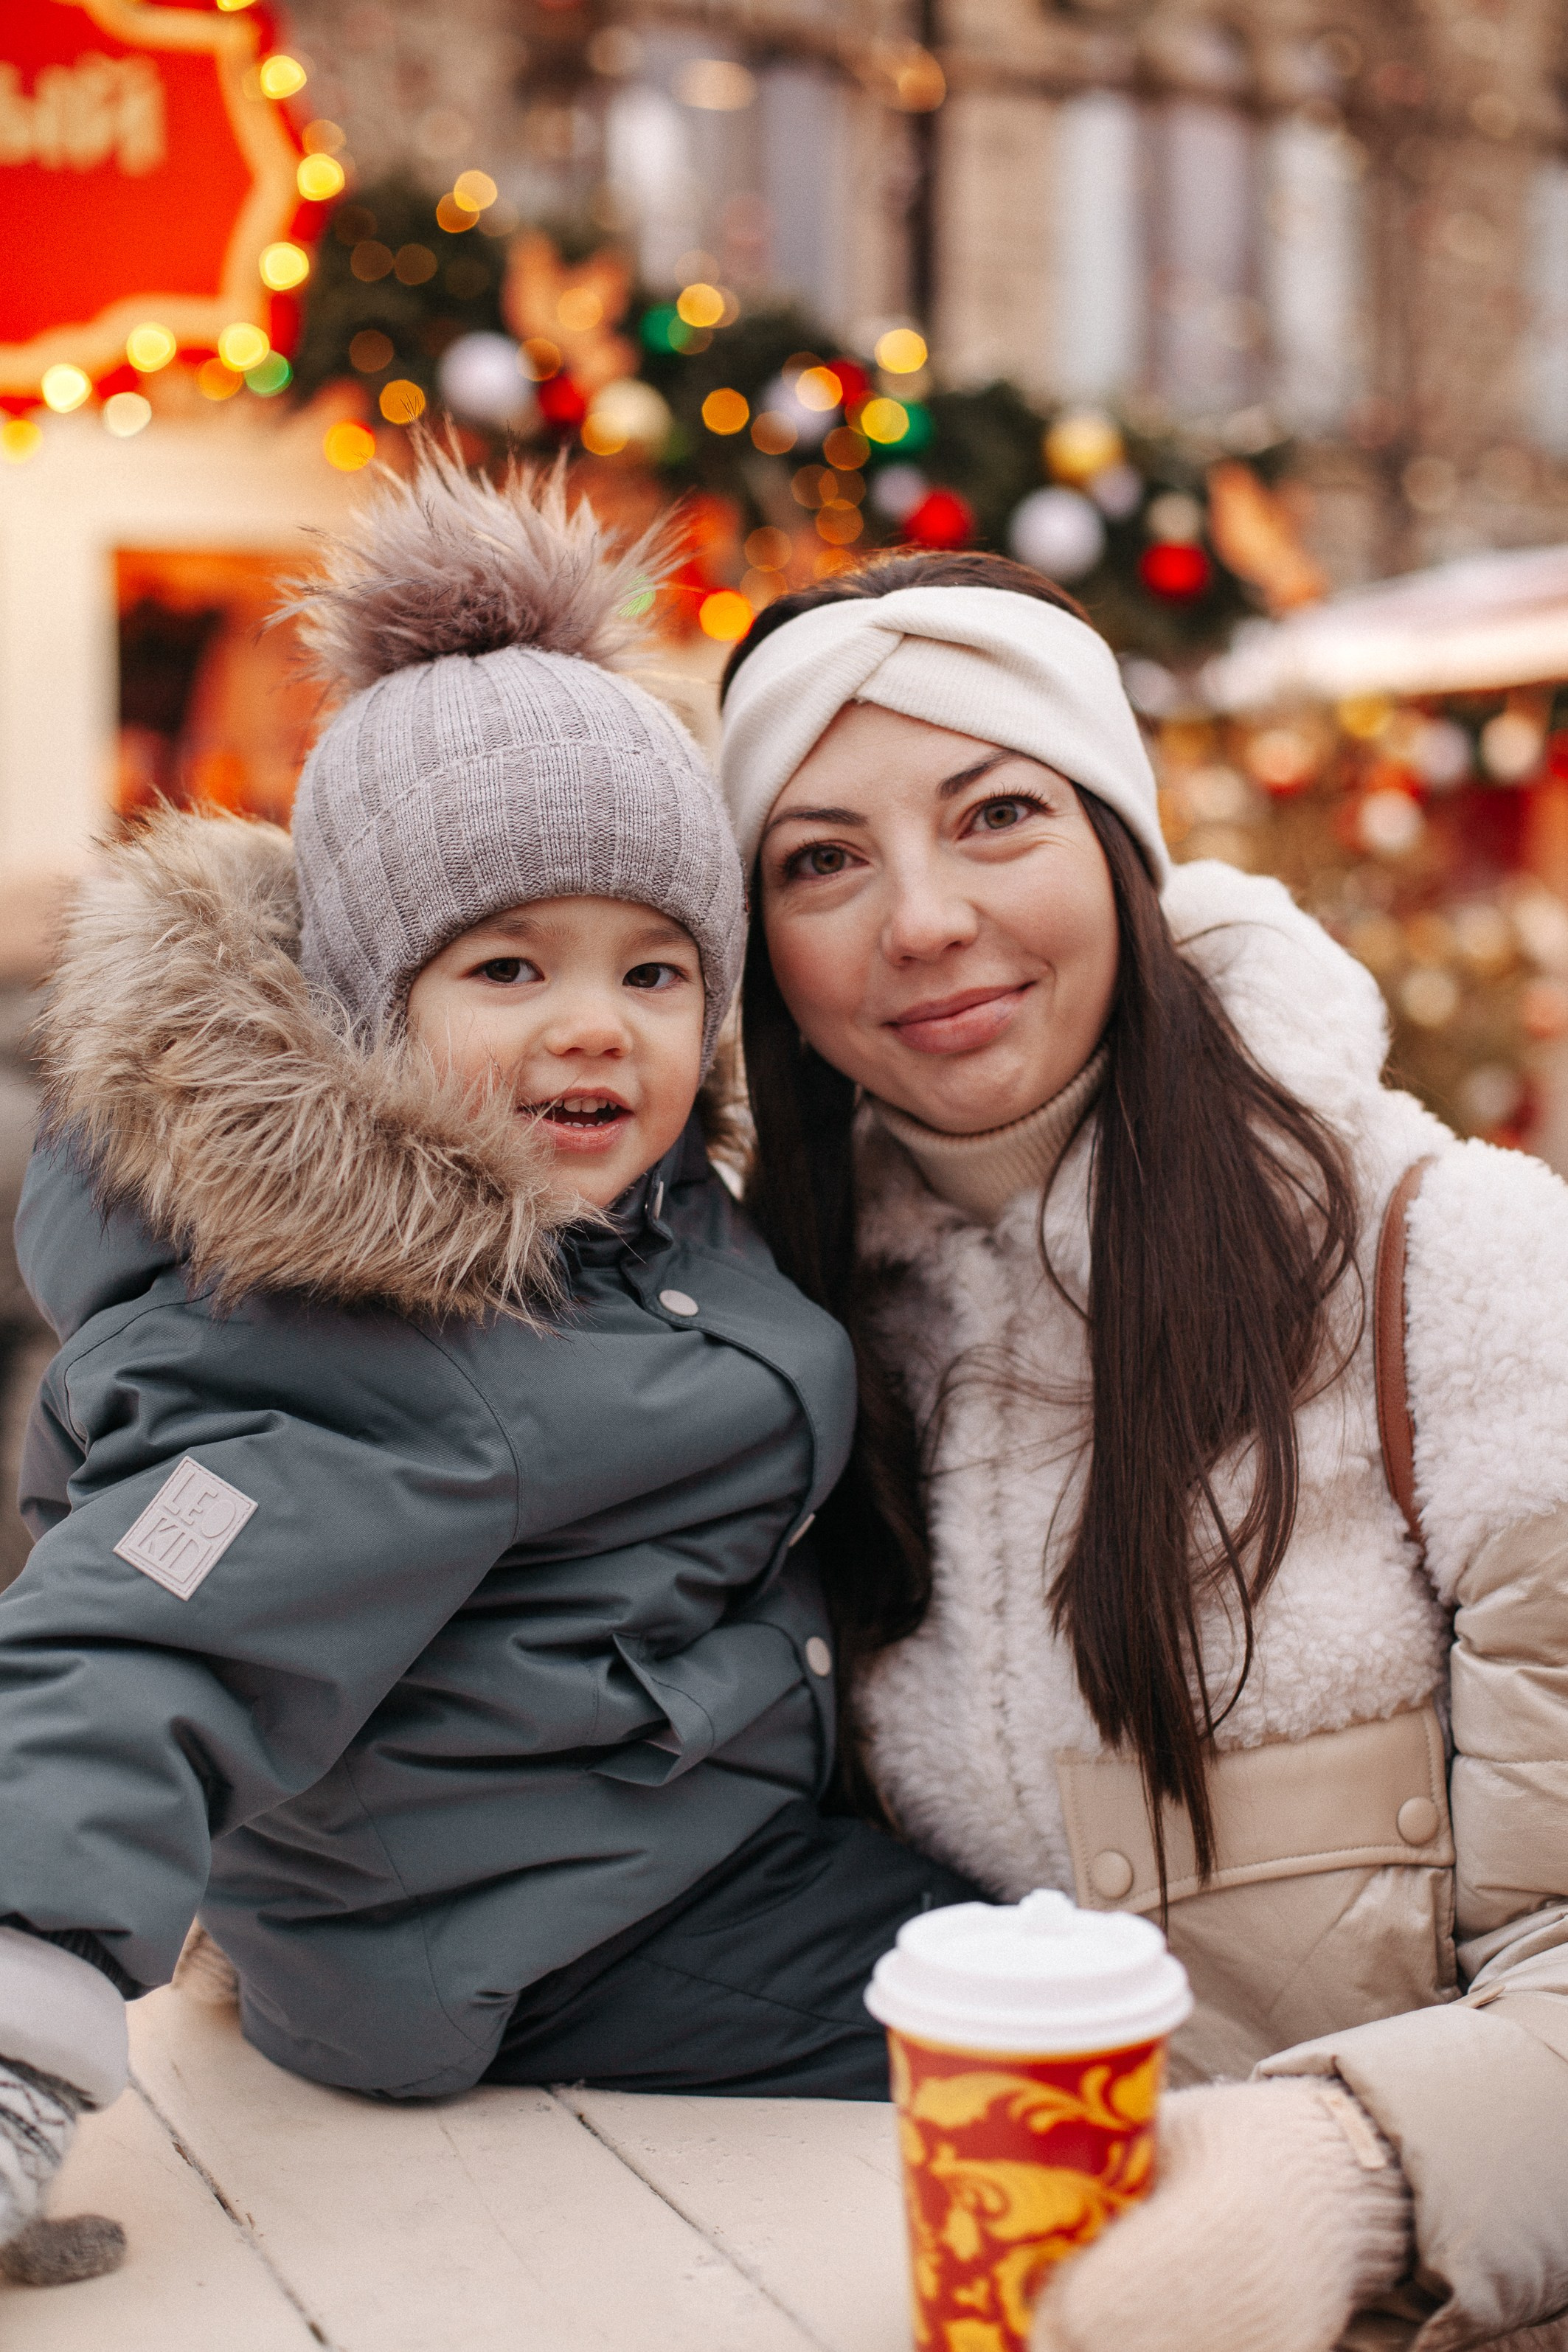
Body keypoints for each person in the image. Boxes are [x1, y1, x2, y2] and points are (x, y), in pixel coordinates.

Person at [0, 457, 979, 2278]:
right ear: (374, 1010)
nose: (596, 1021)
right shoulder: (350, 1339)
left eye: (659, 969)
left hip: (585, 1856)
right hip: (544, 1934)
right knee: (1026, 2025)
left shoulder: (640, 1224)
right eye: (510, 965)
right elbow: (141, 1633)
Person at [718, 549, 1568, 2352]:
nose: (924, 916)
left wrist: (1348, 2175)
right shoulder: (783, 1352)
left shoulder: (1461, 1272)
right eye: (822, 857)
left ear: (1121, 842)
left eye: (996, 812)